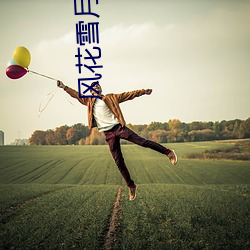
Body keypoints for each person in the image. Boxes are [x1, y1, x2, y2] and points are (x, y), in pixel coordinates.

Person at [57, 81, 177, 201]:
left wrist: (143, 92)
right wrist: (64, 87)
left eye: (99, 85)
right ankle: (131, 186)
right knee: (118, 161)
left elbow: (128, 94)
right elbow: (75, 94)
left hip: (119, 128)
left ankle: (168, 152)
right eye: (95, 86)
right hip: (108, 134)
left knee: (142, 142)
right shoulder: (88, 101)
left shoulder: (111, 97)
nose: (98, 87)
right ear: (91, 91)